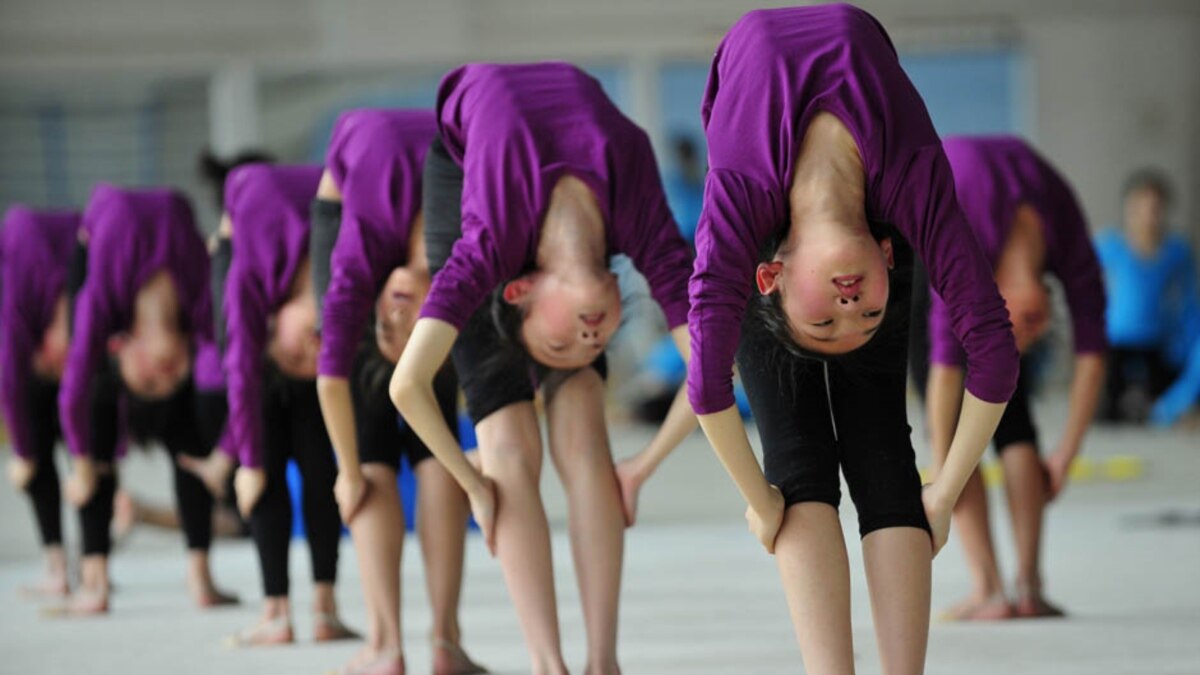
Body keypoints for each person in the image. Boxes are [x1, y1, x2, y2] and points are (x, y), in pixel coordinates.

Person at [686, 6, 1018, 673]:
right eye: (856, 317)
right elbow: (705, 381)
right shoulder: (910, 185)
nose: (850, 309)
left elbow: (995, 354)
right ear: (769, 276)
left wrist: (945, 491)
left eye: (846, 319)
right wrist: (763, 500)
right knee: (798, 461)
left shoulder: (749, 194)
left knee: (880, 451)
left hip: (805, 183)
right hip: (818, 195)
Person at [390, 62, 696, 675]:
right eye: (564, 348)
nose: (587, 342)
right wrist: (473, 483)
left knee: (584, 431)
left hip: (552, 154)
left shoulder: (643, 218)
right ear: (516, 289)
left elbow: (713, 372)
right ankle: (548, 664)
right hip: (463, 163)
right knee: (509, 446)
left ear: (616, 279)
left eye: (590, 340)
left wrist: (640, 467)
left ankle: (602, 662)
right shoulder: (482, 248)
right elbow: (408, 385)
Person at [312, 109, 486, 675]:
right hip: (361, 179)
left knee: (433, 441)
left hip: (417, 156)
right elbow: (331, 374)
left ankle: (443, 638)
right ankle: (388, 642)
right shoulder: (356, 259)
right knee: (371, 450)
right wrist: (346, 469)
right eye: (393, 321)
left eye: (397, 323)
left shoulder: (461, 270)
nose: (396, 313)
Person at [925, 136, 1107, 620]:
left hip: (993, 181)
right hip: (930, 195)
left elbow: (1093, 355)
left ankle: (1024, 586)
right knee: (958, 432)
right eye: (1021, 328)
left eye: (1029, 329)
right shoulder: (960, 249)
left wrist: (1066, 454)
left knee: (1010, 405)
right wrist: (945, 475)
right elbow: (944, 374)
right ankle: (991, 587)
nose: (1027, 333)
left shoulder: (1068, 243)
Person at [58, 184, 236, 615]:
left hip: (136, 216)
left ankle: (200, 572)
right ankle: (94, 577)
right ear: (118, 345)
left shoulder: (194, 312)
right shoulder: (107, 307)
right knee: (98, 425)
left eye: (152, 380)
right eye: (163, 379)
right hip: (97, 229)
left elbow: (245, 384)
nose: (167, 376)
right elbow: (72, 394)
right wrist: (81, 464)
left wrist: (224, 455)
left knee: (188, 437)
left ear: (127, 345)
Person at [204, 163, 356, 646]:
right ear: (271, 322)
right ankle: (277, 610)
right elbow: (240, 373)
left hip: (316, 209)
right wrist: (246, 462)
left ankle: (325, 606)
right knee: (263, 468)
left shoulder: (344, 271)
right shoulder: (246, 284)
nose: (308, 362)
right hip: (248, 205)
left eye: (315, 353)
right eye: (298, 353)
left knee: (320, 467)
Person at [2, 206, 79, 599]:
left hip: (66, 325)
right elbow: (10, 375)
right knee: (41, 451)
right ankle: (60, 565)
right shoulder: (17, 297)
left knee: (80, 447)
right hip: (47, 332)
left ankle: (79, 565)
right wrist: (24, 451)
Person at [1095, 169, 1199, 422]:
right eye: (1139, 207)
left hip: (1156, 339)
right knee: (1108, 411)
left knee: (1165, 392)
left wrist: (1183, 339)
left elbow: (1188, 300)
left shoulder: (1176, 250)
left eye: (1154, 208)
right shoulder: (1111, 245)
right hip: (1116, 339)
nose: (1147, 215)